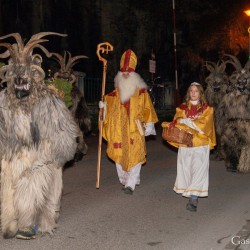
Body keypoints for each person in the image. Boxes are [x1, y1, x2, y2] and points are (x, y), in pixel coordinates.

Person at [100, 49, 158, 195]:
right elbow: (106, 114)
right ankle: (125, 180)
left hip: (135, 129)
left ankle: (131, 184)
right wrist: (103, 108)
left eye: (129, 72)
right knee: (119, 155)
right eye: (123, 72)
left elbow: (148, 110)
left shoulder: (142, 92)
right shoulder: (112, 96)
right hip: (118, 130)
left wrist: (149, 126)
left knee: (136, 154)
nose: (126, 74)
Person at [162, 82, 216, 211]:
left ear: (201, 93)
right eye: (191, 90)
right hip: (185, 144)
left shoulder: (208, 109)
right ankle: (189, 190)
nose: (193, 93)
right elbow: (177, 121)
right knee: (186, 169)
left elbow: (205, 126)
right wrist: (181, 121)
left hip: (200, 144)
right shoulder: (181, 108)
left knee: (199, 170)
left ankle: (193, 198)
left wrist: (189, 122)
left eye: (196, 91)